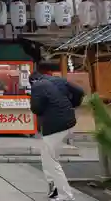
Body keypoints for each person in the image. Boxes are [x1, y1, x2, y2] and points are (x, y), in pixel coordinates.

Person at [29, 64, 84, 201]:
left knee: (51, 161)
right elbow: (79, 90)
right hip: (69, 121)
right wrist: (72, 104)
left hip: (54, 126)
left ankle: (65, 195)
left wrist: (45, 108)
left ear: (32, 81)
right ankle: (54, 188)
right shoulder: (59, 80)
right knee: (47, 156)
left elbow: (36, 108)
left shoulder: (37, 86)